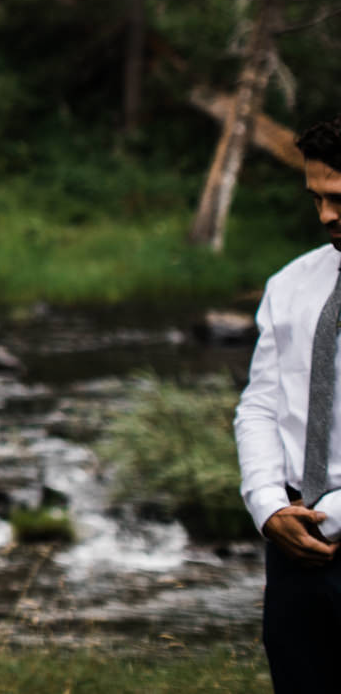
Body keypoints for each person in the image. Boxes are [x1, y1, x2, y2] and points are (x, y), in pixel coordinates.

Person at [236, 115, 341, 693]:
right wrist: (268, 508)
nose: (326, 216)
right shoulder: (290, 284)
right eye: (317, 198)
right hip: (295, 547)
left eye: (338, 199)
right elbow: (259, 407)